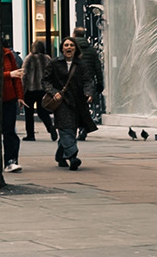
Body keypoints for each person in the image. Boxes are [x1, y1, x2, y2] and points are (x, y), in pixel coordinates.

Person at [48, 36, 102, 170]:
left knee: (70, 129)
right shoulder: (54, 64)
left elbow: (87, 80)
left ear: (75, 49)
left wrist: (89, 93)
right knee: (66, 128)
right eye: (66, 45)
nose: (69, 47)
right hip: (62, 101)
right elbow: (45, 81)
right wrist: (54, 92)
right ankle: (73, 157)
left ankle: (61, 155)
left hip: (77, 101)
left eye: (71, 45)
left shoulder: (80, 64)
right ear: (62, 48)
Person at [20, 41, 56, 141]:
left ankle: (30, 135)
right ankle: (50, 127)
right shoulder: (47, 58)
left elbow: (24, 75)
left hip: (31, 90)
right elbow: (51, 74)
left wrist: (22, 91)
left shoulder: (29, 58)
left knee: (29, 113)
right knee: (42, 111)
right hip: (43, 90)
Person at [0, 45, 23, 171]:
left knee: (9, 131)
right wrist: (9, 74)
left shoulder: (8, 55)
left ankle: (11, 160)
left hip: (9, 97)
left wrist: (19, 96)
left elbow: (16, 76)